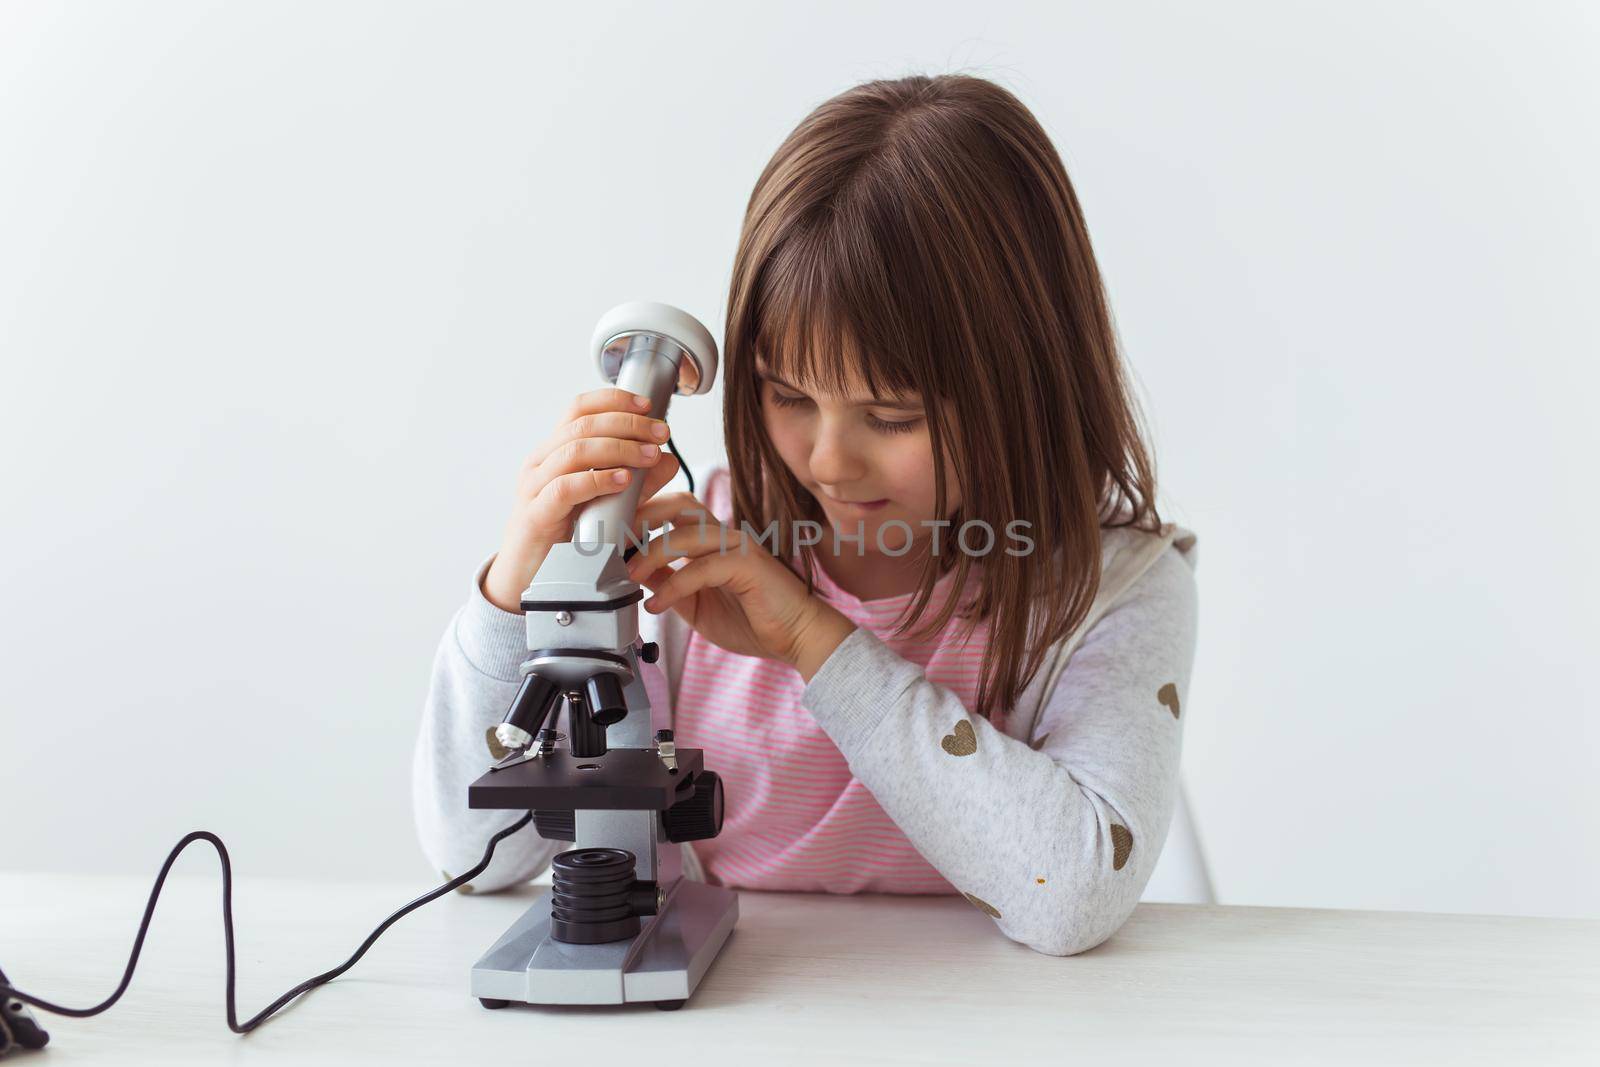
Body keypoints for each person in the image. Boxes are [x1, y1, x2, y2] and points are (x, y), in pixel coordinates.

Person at [412, 73, 1198, 957]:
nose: (827, 460)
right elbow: (474, 859)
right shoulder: (689, 561)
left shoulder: (1116, 588)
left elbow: (1072, 894)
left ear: (1026, 380)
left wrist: (813, 643)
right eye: (788, 395)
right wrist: (517, 591)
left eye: (892, 416)